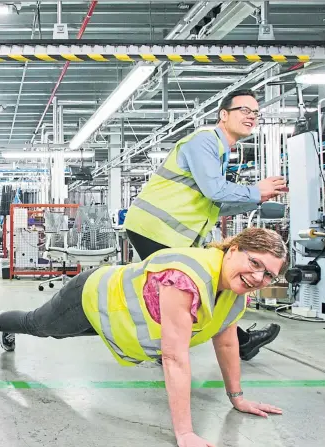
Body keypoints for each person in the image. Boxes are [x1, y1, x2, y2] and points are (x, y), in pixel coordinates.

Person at [0, 227, 287, 447]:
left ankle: (1, 323)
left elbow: (225, 340)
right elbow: (173, 357)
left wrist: (237, 398)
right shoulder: (187, 278)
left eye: (269, 275)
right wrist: (185, 434)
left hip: (116, 322)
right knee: (39, 326)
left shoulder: (236, 294)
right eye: (255, 263)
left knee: (53, 332)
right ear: (233, 250)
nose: (258, 278)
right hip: (91, 298)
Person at [123, 89, 289, 361]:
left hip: (168, 232)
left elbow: (216, 203)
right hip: (156, 227)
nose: (251, 117)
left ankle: (233, 342)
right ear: (223, 115)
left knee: (192, 289)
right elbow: (215, 190)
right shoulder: (204, 142)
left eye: (255, 113)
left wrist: (257, 199)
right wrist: (255, 191)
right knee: (195, 287)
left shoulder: (219, 153)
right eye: (244, 111)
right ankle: (169, 348)